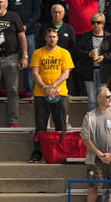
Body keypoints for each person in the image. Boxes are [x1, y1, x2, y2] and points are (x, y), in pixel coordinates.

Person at [29, 27, 73, 163]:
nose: (52, 39)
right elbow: (35, 73)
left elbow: (66, 73)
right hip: (41, 94)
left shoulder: (64, 53)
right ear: (45, 38)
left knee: (60, 124)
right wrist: (45, 87)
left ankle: (61, 152)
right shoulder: (38, 53)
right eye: (49, 36)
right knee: (40, 125)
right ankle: (38, 153)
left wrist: (52, 87)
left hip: (60, 93)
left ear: (58, 38)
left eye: (54, 36)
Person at [81, 86, 111, 202]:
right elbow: (85, 138)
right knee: (93, 188)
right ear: (99, 99)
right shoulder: (89, 117)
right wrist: (99, 154)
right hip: (94, 159)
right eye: (108, 96)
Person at [3, 0, 41, 98]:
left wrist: (26, 25)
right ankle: (11, 91)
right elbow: (4, 11)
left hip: (28, 32)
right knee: (10, 62)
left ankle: (29, 91)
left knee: (29, 63)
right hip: (11, 33)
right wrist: (15, 26)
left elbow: (37, 12)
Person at [76, 13, 111, 112]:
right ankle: (91, 123)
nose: (95, 25)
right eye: (93, 22)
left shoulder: (109, 37)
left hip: (104, 72)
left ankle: (103, 121)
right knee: (92, 100)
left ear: (103, 24)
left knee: (104, 99)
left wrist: (104, 57)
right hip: (89, 71)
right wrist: (88, 54)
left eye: (98, 22)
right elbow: (78, 51)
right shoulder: (86, 36)